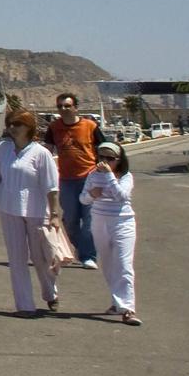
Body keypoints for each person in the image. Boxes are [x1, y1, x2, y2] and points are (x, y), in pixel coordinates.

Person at [0, 109, 61, 316]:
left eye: (17, 124)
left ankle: (50, 292)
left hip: (37, 210)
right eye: (9, 124)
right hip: (9, 208)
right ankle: (25, 305)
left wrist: (54, 214)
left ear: (28, 127)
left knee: (41, 257)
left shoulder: (41, 153)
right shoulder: (3, 149)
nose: (12, 128)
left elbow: (51, 186)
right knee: (17, 258)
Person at [82, 141, 140, 325]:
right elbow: (83, 199)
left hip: (122, 222)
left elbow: (121, 195)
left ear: (119, 160)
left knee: (123, 264)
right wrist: (92, 194)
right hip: (99, 222)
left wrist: (109, 176)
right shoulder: (92, 175)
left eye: (110, 158)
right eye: (101, 157)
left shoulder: (126, 176)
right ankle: (117, 303)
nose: (104, 161)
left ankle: (128, 308)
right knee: (107, 264)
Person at [44, 94, 104, 269]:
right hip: (66, 180)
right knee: (70, 220)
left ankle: (88, 256)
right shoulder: (54, 127)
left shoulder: (90, 126)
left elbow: (104, 148)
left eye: (67, 106)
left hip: (90, 178)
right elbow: (47, 152)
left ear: (76, 107)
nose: (63, 109)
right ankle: (81, 248)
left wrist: (107, 172)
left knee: (90, 220)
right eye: (60, 106)